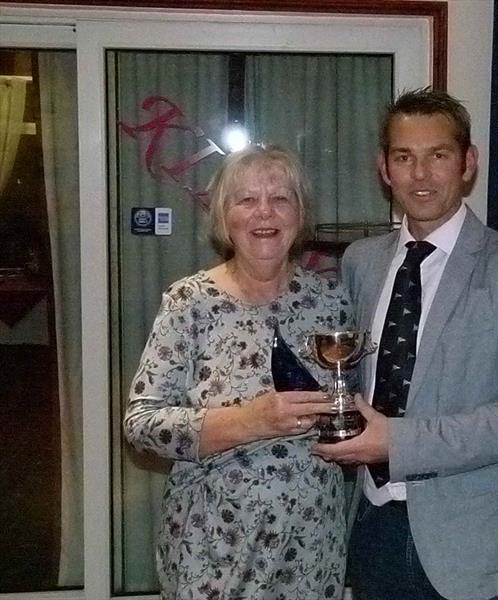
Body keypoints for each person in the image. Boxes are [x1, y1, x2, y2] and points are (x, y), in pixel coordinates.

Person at [313, 88, 498, 599]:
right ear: (384, 167)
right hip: (373, 528)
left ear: (468, 164)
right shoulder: (361, 262)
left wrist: (398, 443)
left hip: (478, 544)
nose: (421, 175)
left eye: (438, 156)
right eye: (404, 157)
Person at [125, 145, 351, 599]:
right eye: (246, 200)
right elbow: (141, 424)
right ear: (223, 218)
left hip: (311, 546)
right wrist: (252, 421)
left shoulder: (331, 300)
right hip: (213, 548)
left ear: (300, 213)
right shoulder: (189, 302)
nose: (263, 213)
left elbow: (352, 407)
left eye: (280, 198)